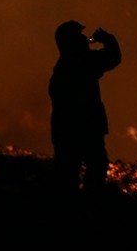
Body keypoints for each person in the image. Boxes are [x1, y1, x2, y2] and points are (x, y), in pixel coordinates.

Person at [48, 19, 122, 198]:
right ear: (72, 41)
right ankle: (89, 207)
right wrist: (107, 39)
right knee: (96, 166)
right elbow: (113, 57)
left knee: (67, 174)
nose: (84, 38)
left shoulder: (63, 67)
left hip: (66, 131)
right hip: (85, 129)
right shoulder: (81, 63)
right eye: (79, 35)